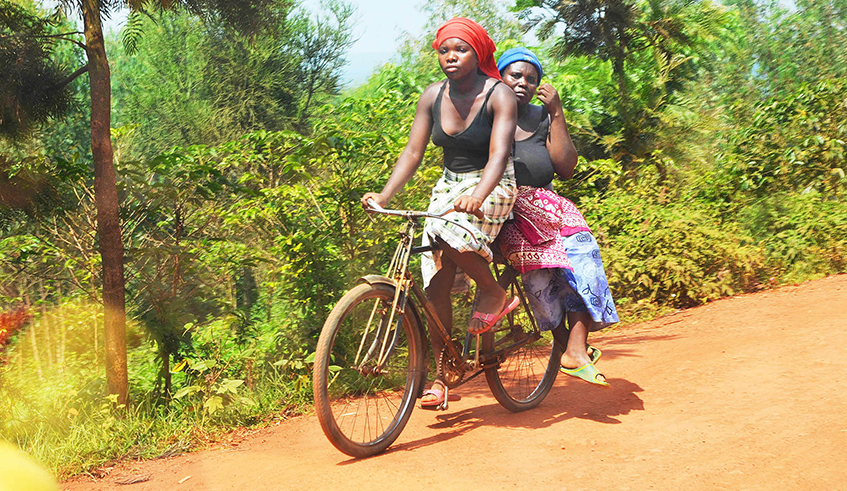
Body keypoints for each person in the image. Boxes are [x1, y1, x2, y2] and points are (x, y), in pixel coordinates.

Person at [361, 18, 519, 408]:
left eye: (460, 49)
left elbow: (499, 154)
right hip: (449, 185)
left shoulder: (499, 95)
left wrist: (479, 195)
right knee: (434, 283)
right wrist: (383, 195)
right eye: (445, 50)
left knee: (451, 233)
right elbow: (413, 153)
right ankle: (444, 372)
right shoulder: (433, 95)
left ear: (477, 54)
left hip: (493, 182)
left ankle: (493, 290)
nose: (451, 56)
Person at [495, 47, 619, 387]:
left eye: (531, 79)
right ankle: (571, 350)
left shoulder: (542, 118)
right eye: (515, 76)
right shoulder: (488, 115)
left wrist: (558, 112)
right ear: (499, 77)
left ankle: (577, 350)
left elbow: (565, 166)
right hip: (507, 212)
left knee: (580, 259)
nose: (523, 83)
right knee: (540, 284)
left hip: (550, 207)